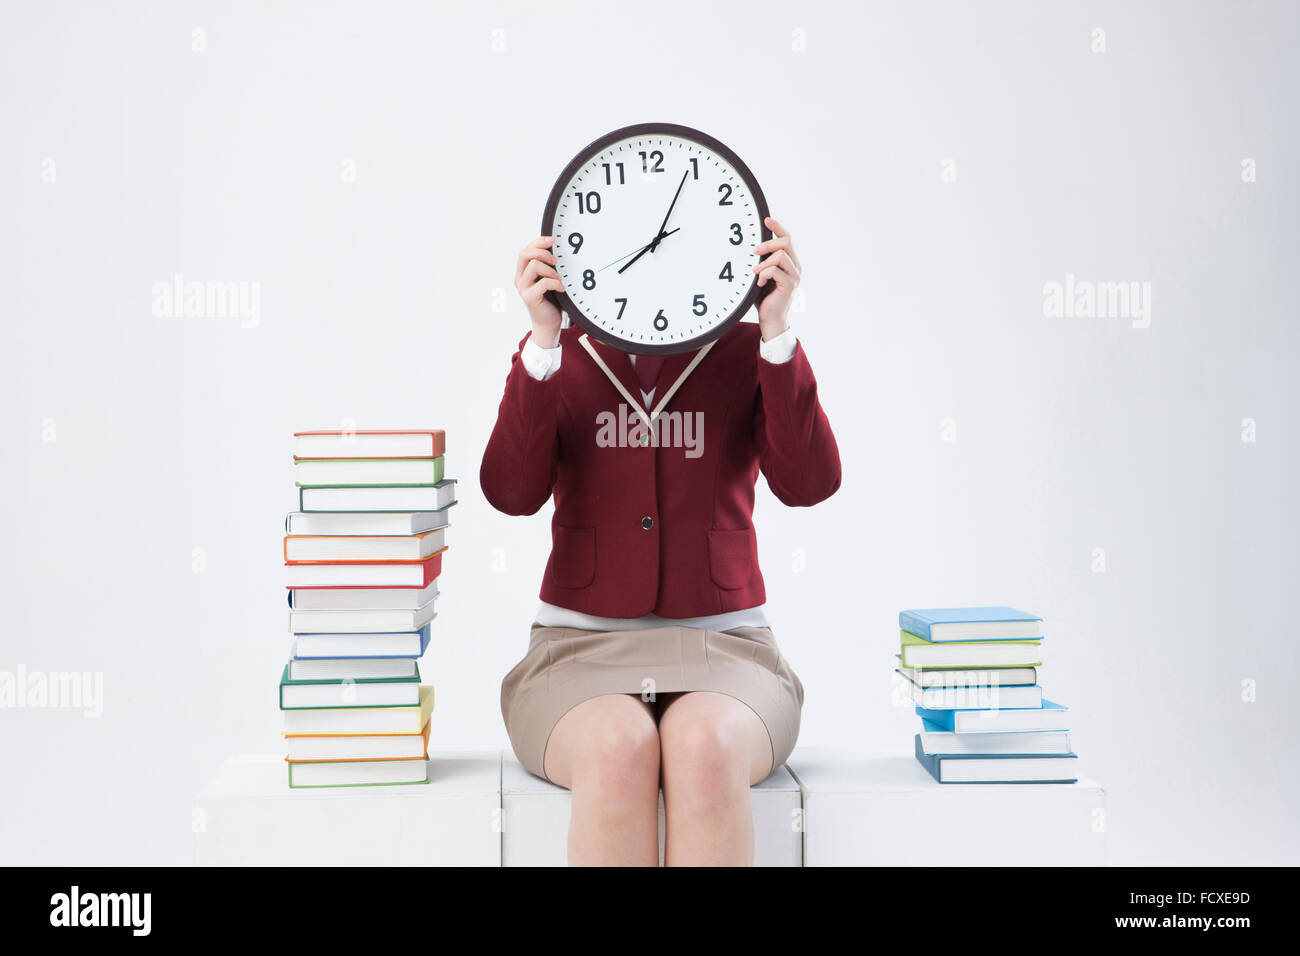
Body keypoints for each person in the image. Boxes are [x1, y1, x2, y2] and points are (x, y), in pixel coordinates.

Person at [481, 217, 841, 865]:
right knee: (617, 748)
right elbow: (511, 493)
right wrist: (542, 339)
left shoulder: (744, 348)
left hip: (729, 649)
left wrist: (777, 332)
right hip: (577, 651)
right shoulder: (562, 352)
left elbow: (809, 483)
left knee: (705, 747)